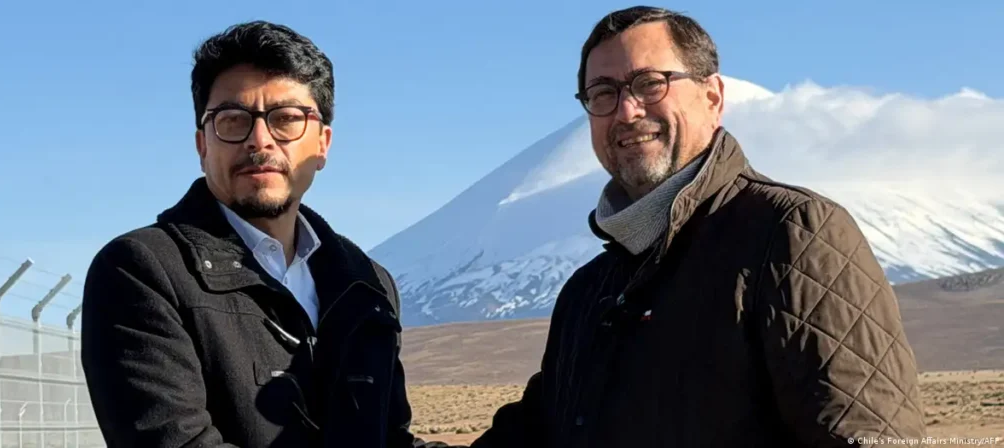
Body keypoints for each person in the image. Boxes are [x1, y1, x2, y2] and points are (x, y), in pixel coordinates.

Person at [471, 6, 926, 447]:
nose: (626, 111)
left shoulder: (790, 234)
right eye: (603, 93)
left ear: (713, 98)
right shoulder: (588, 293)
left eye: (650, 83)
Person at [81, 21, 448, 447]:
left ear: (323, 143)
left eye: (286, 119)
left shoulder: (367, 284)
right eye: (232, 120)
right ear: (202, 145)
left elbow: (390, 440)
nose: (260, 140)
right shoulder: (142, 271)